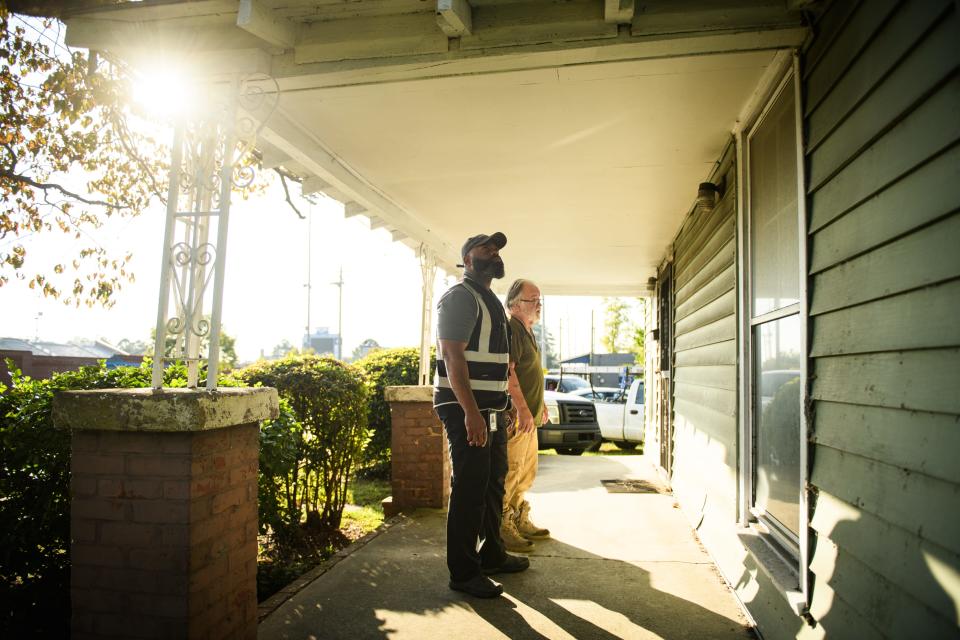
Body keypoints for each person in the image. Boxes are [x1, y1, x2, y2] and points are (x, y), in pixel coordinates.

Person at [434, 232, 530, 599]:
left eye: (497, 249)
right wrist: (471, 413)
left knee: (492, 482)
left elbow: (495, 365)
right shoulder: (460, 297)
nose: (494, 253)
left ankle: (491, 553)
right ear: (468, 259)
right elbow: (452, 356)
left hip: (490, 410)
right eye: (486, 248)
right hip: (465, 411)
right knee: (469, 488)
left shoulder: (489, 299)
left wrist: (504, 406)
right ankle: (463, 572)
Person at [501, 279, 551, 552]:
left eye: (539, 299)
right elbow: (508, 373)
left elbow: (530, 375)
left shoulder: (527, 330)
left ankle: (519, 517)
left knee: (526, 473)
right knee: (511, 472)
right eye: (534, 299)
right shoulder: (512, 329)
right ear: (516, 304)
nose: (538, 304)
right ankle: (503, 526)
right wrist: (521, 408)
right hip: (518, 418)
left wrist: (539, 405)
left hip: (529, 416)